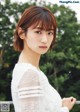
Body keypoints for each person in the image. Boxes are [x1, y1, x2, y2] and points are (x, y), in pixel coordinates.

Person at [11, 6, 76, 112]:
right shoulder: (30, 74)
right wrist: (64, 109)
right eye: (38, 32)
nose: (45, 40)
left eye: (50, 33)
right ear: (22, 33)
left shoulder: (29, 70)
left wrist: (60, 106)